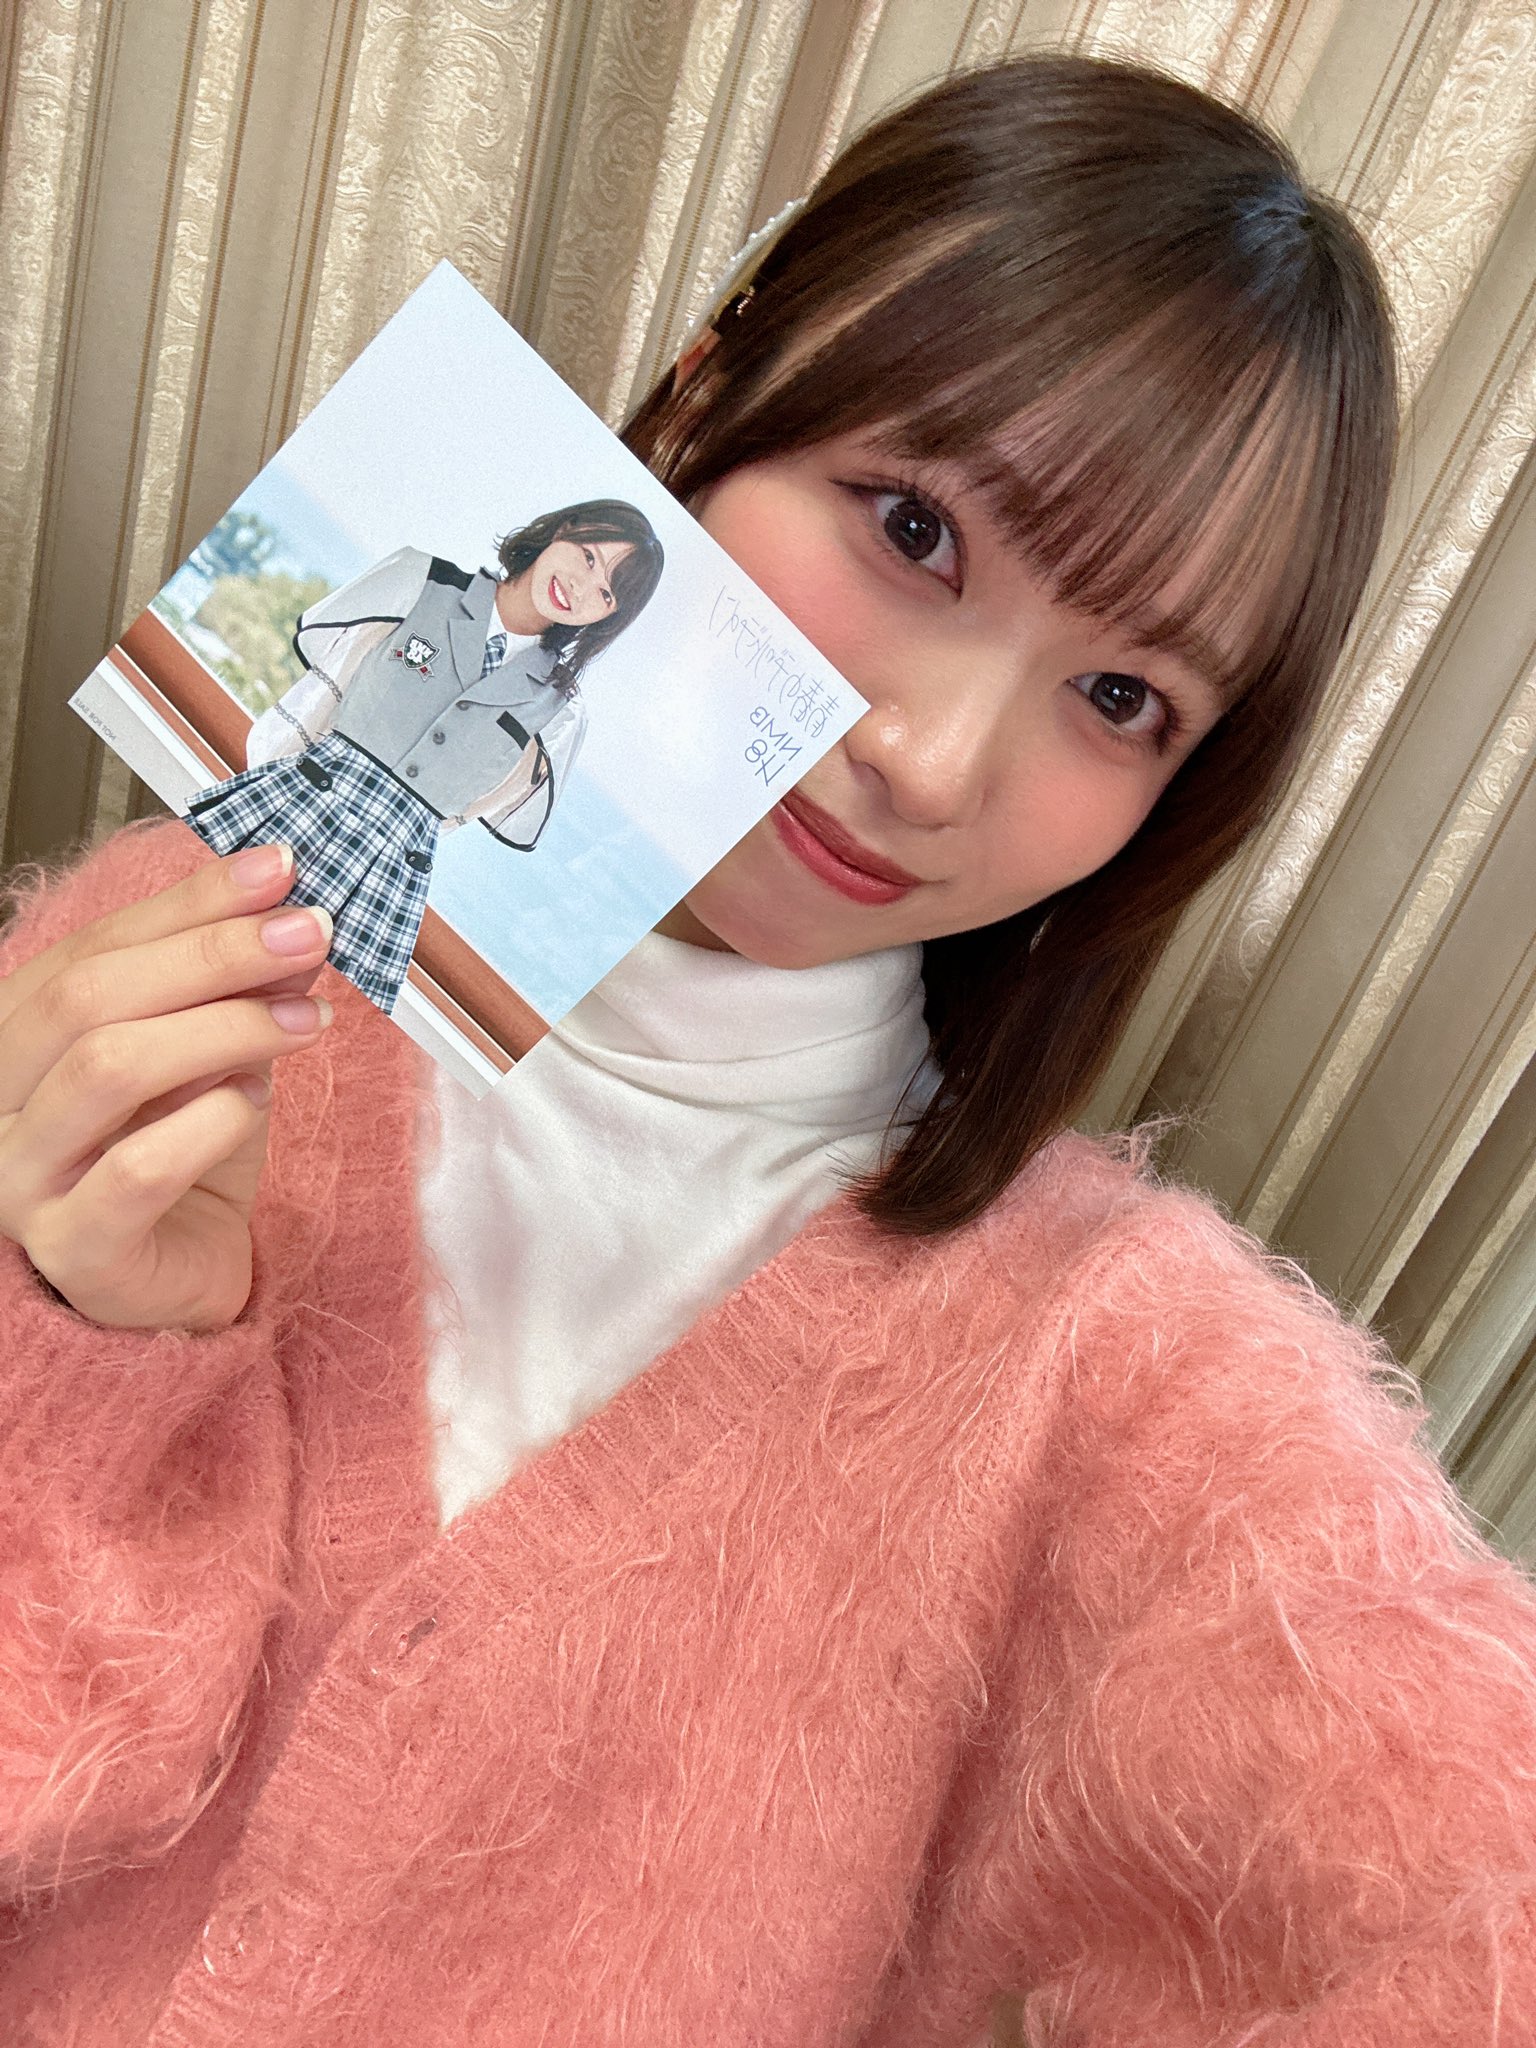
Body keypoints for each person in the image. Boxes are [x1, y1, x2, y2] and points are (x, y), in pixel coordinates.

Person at [2, 52, 1534, 2048]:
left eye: (1120, 696)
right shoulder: (162, 955)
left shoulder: (1120, 1371)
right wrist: (82, 1342)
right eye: (913, 526)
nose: (931, 759)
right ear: (707, 399)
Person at [183, 500, 664, 1011]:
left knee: (303, 1014)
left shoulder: (561, 712)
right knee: (192, 924)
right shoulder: (421, 578)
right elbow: (328, 684)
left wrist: (412, 819)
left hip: (389, 870)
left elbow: (488, 799)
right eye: (588, 558)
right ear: (564, 529)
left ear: (609, 617)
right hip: (301, 799)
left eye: (606, 593)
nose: (581, 589)